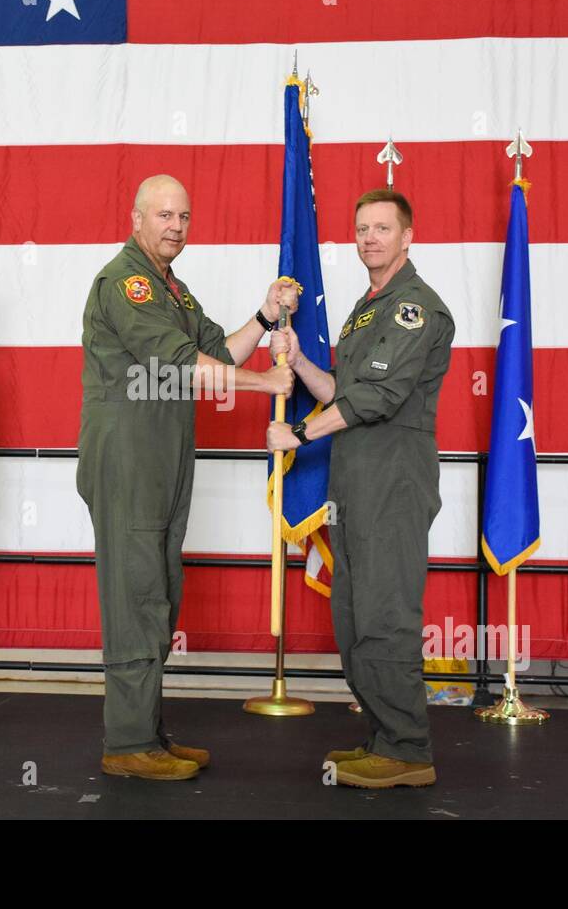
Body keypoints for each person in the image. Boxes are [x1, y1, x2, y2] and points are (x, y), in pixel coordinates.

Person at [78, 174, 297, 779]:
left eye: (184, 217)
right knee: (136, 594)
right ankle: (126, 743)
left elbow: (219, 353)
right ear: (137, 218)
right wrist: (264, 385)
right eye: (165, 215)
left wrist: (264, 313)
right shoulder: (128, 283)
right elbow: (176, 363)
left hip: (164, 456)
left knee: (159, 592)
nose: (176, 226)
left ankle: (147, 732)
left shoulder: (172, 288)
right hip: (128, 458)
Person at [266, 189, 454, 788]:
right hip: (356, 485)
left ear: (407, 236)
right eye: (362, 228)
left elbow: (376, 397)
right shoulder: (366, 308)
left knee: (385, 616)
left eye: (382, 228)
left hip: (392, 486)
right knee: (351, 617)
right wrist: (298, 365)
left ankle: (406, 750)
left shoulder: (413, 309)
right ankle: (381, 733)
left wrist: (297, 433)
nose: (370, 237)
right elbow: (343, 389)